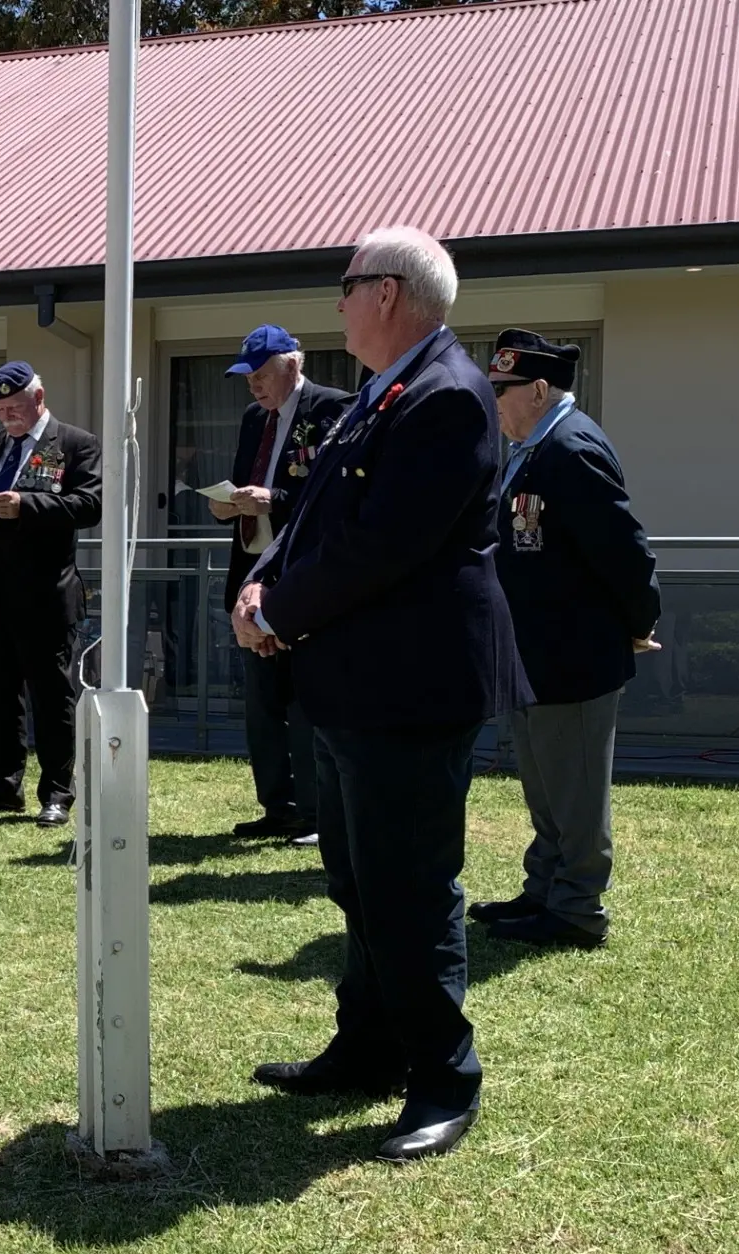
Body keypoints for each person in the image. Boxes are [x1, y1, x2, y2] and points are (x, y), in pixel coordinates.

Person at [232, 226, 529, 1163]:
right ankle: (366, 1050)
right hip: (354, 682)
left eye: (348, 284)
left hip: (411, 686)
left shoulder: (445, 396)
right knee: (360, 879)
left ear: (390, 292)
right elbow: (317, 512)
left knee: (409, 886)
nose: (338, 302)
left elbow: (382, 547)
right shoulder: (383, 393)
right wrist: (263, 580)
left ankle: (444, 1078)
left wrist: (278, 611)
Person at [474, 328, 661, 949]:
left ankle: (578, 910)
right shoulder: (534, 447)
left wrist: (638, 622)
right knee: (548, 788)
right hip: (538, 653)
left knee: (576, 793)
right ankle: (544, 893)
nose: (493, 402)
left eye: (502, 391)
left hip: (575, 654)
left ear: (538, 389)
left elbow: (624, 550)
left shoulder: (571, 448)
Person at [210, 326, 352, 846]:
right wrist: (226, 504)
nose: (254, 387)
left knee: (303, 700)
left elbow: (331, 495)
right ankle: (277, 806)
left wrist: (276, 498)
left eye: (263, 375)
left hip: (301, 576)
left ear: (295, 364)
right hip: (251, 570)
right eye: (248, 378)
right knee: (262, 703)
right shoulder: (254, 420)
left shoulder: (334, 409)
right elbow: (242, 486)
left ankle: (316, 812)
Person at [0, 361, 102, 827]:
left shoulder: (74, 443)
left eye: (15, 406)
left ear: (39, 397)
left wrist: (25, 505)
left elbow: (89, 504)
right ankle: (4, 782)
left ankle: (57, 790)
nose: (7, 416)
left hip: (45, 593)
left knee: (51, 695)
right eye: (0, 409)